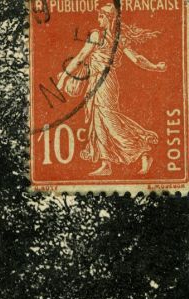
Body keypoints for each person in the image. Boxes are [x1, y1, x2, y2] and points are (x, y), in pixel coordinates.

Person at [57, 3, 166, 176]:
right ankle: (106, 163)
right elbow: (83, 56)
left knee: (110, 121)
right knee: (98, 122)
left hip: (106, 83)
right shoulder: (112, 37)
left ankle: (143, 149)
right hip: (95, 82)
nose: (98, 19)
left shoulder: (105, 36)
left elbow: (82, 56)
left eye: (101, 16)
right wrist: (155, 67)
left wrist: (64, 77)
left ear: (110, 19)